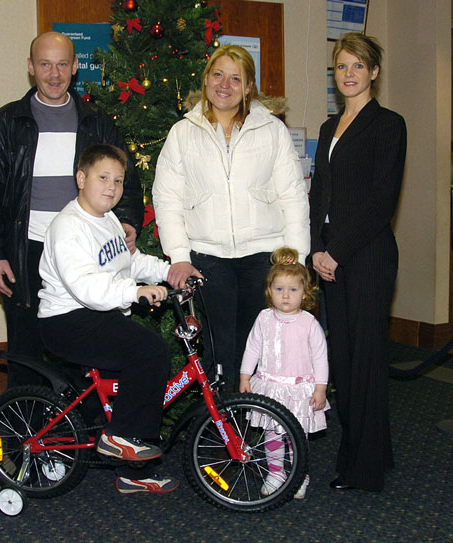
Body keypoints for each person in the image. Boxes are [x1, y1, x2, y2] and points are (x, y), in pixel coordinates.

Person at [38, 144, 201, 493]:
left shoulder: (108, 219)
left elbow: (131, 262)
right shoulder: (68, 226)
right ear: (81, 179)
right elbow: (85, 286)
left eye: (118, 180)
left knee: (123, 392)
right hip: (67, 319)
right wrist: (135, 293)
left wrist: (169, 271)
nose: (111, 187)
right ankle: (121, 438)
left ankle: (132, 473)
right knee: (150, 351)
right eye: (102, 178)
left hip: (97, 313)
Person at [0, 31, 143, 387]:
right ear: (30, 68)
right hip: (25, 250)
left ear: (75, 67)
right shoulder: (7, 123)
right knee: (25, 347)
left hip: (85, 250)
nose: (53, 74)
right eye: (44, 64)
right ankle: (26, 434)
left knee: (84, 347)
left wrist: (129, 221)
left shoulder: (97, 122)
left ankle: (81, 433)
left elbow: (127, 180)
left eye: (61, 65)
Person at [153, 44, 310, 391]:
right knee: (218, 352)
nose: (225, 85)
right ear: (207, 78)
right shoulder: (183, 133)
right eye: (218, 74)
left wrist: (296, 257)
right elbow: (167, 199)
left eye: (236, 78)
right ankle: (220, 433)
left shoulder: (271, 131)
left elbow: (293, 196)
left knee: (258, 346)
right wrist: (178, 255)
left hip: (263, 256)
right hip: (208, 258)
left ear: (248, 86)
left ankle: (251, 430)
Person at [309, 33, 406, 492]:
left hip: (366, 256)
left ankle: (363, 470)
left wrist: (336, 251)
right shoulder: (330, 127)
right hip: (330, 258)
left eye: (357, 66)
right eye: (341, 67)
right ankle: (375, 449)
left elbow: (380, 201)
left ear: (374, 72)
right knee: (344, 361)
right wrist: (315, 250)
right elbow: (318, 195)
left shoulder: (389, 125)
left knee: (365, 361)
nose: (348, 74)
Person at [239, 247, 329, 500]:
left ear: (305, 292)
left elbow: (320, 357)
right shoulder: (264, 318)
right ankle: (276, 473)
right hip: (270, 386)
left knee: (295, 437)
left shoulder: (309, 323)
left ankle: (298, 475)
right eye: (279, 289)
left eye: (293, 290)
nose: (286, 296)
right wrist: (245, 376)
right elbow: (253, 347)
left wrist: (320, 387)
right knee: (272, 434)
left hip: (299, 389)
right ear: (269, 291)